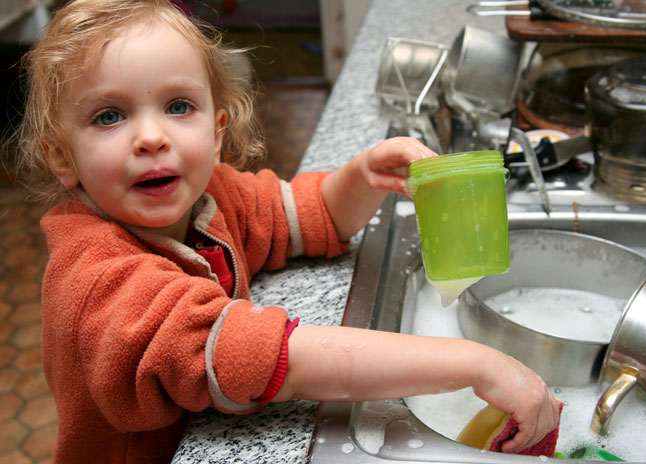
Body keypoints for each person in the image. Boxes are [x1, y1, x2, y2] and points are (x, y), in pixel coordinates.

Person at [15, 0, 560, 462]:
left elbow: (304, 213)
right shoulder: (97, 280)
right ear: (63, 157)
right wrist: (473, 363)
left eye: (178, 106)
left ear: (218, 126)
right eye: (110, 117)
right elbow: (265, 358)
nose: (152, 137)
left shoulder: (212, 195)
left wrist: (362, 175)